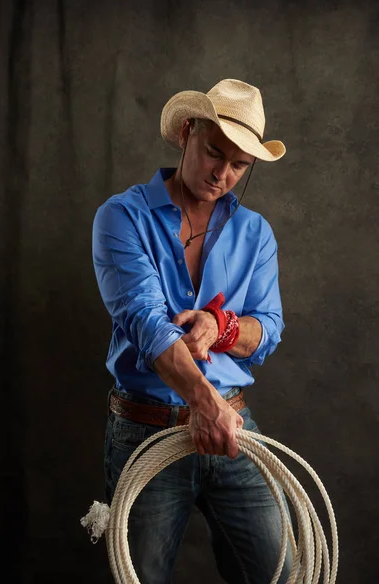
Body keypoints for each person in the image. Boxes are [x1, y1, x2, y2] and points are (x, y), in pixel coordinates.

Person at [92, 79, 292, 584]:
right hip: (147, 430)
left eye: (239, 166)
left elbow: (267, 329)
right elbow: (146, 323)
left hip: (234, 428)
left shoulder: (256, 234)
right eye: (213, 153)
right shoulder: (122, 217)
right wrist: (206, 404)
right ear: (186, 133)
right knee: (138, 575)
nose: (222, 174)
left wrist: (221, 328)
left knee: (280, 573)